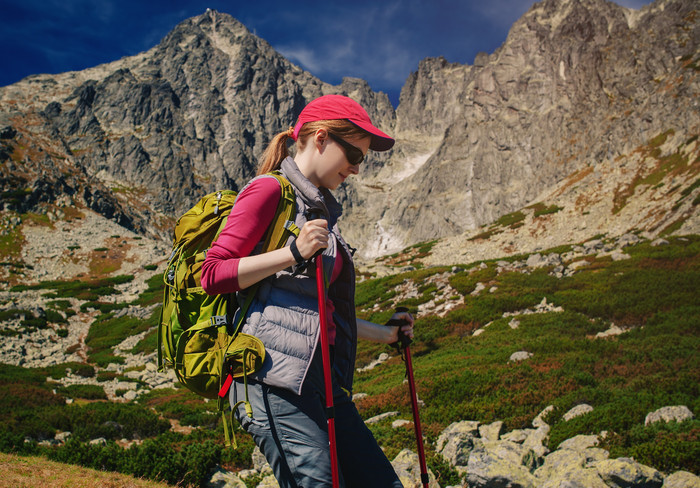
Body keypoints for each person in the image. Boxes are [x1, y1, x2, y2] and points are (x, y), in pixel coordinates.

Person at [201, 94, 414, 488]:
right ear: (319, 138)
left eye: (363, 158)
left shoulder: (319, 212)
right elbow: (212, 273)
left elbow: (317, 309)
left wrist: (387, 335)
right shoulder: (268, 190)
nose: (356, 167)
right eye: (353, 153)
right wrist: (292, 253)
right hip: (271, 381)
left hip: (321, 384)